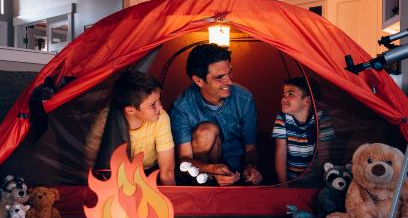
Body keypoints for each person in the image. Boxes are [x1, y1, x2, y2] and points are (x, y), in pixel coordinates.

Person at [170, 43, 263, 186]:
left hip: (238, 171)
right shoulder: (182, 107)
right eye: (219, 77)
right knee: (206, 130)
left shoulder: (244, 98)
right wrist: (211, 170)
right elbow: (184, 160)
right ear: (198, 80)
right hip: (204, 174)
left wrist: (250, 168)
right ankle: (210, 186)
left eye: (230, 72)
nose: (230, 81)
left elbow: (250, 148)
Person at [112, 70, 175, 185]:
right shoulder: (111, 125)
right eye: (153, 105)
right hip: (120, 176)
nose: (160, 108)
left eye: (159, 100)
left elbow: (167, 172)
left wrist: (172, 201)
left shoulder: (161, 117)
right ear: (130, 110)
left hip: (151, 172)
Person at [272, 77, 335, 184]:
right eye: (284, 95)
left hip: (315, 179)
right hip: (291, 179)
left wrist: (314, 183)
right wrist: (283, 185)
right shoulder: (282, 119)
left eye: (290, 94)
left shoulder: (322, 119)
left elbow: (324, 155)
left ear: (307, 101)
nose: (283, 99)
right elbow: (281, 153)